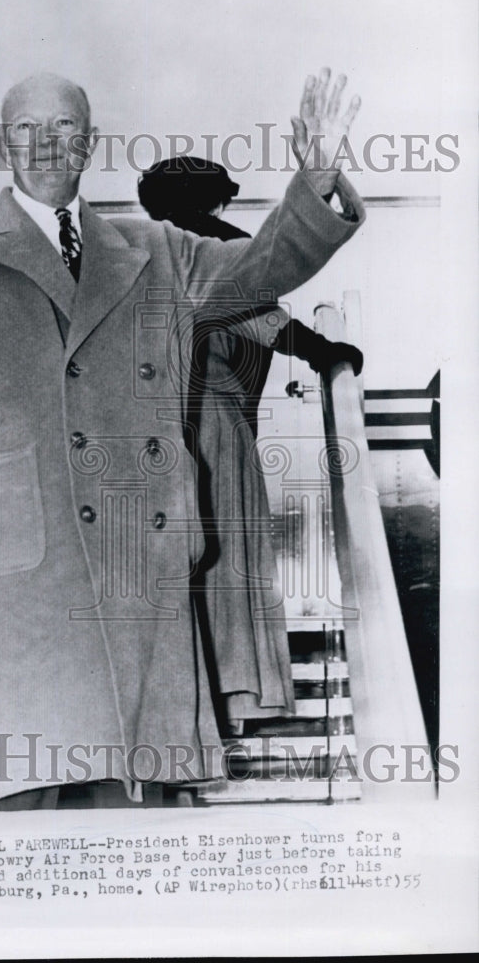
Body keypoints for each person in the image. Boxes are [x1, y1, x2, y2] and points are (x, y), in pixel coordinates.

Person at [0, 69, 365, 811]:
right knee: (30, 798)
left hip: (140, 554)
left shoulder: (156, 248)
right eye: (25, 128)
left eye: (63, 128)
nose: (44, 144)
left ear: (88, 143)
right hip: (25, 563)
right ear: (3, 143)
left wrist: (311, 183)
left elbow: (261, 271)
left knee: (139, 805)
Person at [136, 155, 363, 731]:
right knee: (225, 563)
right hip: (214, 428)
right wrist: (325, 352)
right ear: (217, 201)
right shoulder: (221, 249)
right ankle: (235, 699)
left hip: (148, 433)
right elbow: (266, 321)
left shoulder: (134, 257)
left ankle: (182, 709)